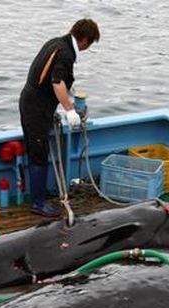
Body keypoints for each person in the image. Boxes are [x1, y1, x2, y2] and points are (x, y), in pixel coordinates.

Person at [19, 19, 100, 218]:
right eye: (89, 44)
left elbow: (47, 78)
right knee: (38, 152)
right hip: (35, 108)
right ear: (84, 40)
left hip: (36, 103)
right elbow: (56, 82)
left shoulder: (56, 42)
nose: (86, 49)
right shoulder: (66, 53)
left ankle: (40, 193)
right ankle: (38, 203)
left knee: (40, 149)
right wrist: (70, 110)